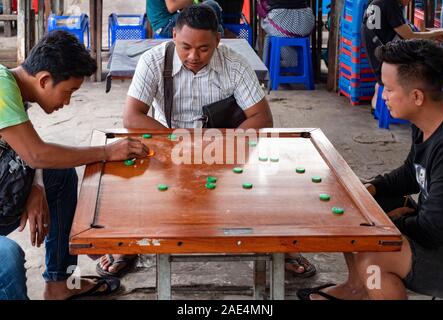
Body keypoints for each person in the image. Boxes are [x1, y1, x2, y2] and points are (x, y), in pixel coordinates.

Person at [97, 4, 319, 279]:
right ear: (174, 36)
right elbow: (132, 117)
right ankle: (127, 244)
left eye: (203, 49)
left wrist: (218, 145)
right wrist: (180, 142)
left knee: (265, 184)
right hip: (167, 144)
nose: (193, 56)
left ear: (217, 40)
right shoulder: (153, 61)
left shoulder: (235, 64)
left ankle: (280, 246)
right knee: (132, 184)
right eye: (185, 47)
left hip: (222, 145)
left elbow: (261, 118)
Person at [0, 30, 149, 300]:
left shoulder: (11, 88)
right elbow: (36, 153)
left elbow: (26, 149)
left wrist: (36, 184)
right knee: (8, 257)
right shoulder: (1, 87)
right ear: (44, 80)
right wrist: (105, 151)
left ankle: (59, 282)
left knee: (58, 174)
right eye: (68, 92)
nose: (67, 102)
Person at [297, 39, 443, 300]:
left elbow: (434, 227)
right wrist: (372, 187)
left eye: (389, 89)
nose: (382, 95)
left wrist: (386, 224)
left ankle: (365, 285)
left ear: (417, 96)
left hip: (442, 251)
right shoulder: (427, 123)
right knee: (354, 201)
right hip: (435, 230)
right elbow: (411, 173)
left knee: (374, 258)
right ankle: (355, 288)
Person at [361, 0, 443, 110]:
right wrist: (440, 32)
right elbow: (409, 36)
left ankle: (378, 106)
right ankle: (441, 99)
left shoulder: (378, 2)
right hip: (387, 62)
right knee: (432, 63)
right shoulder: (390, 5)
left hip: (377, 58)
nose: (409, 2)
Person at [257, 0, 315, 68]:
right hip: (307, 22)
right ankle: (294, 61)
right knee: (275, 35)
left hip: (284, 21)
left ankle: (266, 70)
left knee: (269, 32)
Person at [146, 0, 224, 38]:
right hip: (165, 26)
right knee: (210, 5)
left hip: (170, 21)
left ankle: (215, 38)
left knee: (211, 7)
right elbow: (172, 7)